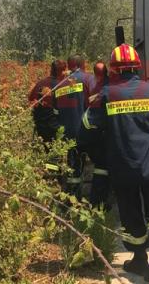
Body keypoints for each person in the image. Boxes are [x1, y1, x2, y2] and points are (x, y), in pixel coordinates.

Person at [80, 44, 149, 282]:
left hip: (123, 165)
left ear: (113, 69)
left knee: (131, 213)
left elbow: (88, 124)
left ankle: (140, 258)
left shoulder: (107, 94)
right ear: (137, 66)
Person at [55, 55, 92, 196]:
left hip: (67, 133)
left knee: (73, 165)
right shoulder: (88, 79)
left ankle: (72, 196)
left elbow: (56, 111)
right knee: (98, 164)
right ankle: (95, 198)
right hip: (86, 130)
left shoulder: (60, 83)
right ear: (82, 64)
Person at [85, 61, 111, 208]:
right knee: (103, 166)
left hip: (100, 129)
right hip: (101, 130)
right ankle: (99, 201)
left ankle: (98, 200)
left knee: (102, 166)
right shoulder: (100, 84)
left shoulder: (100, 85)